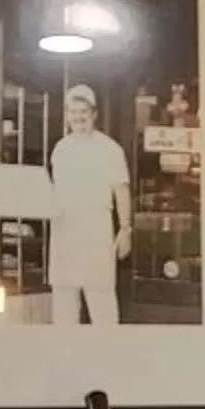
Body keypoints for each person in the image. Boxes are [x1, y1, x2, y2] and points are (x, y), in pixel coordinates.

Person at [46, 83, 132, 327]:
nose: (79, 116)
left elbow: (121, 190)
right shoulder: (60, 149)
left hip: (96, 230)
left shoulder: (110, 149)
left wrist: (125, 229)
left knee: (102, 305)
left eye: (84, 111)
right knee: (64, 304)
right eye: (73, 111)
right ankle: (66, 360)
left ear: (94, 114)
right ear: (67, 115)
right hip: (64, 230)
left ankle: (106, 359)